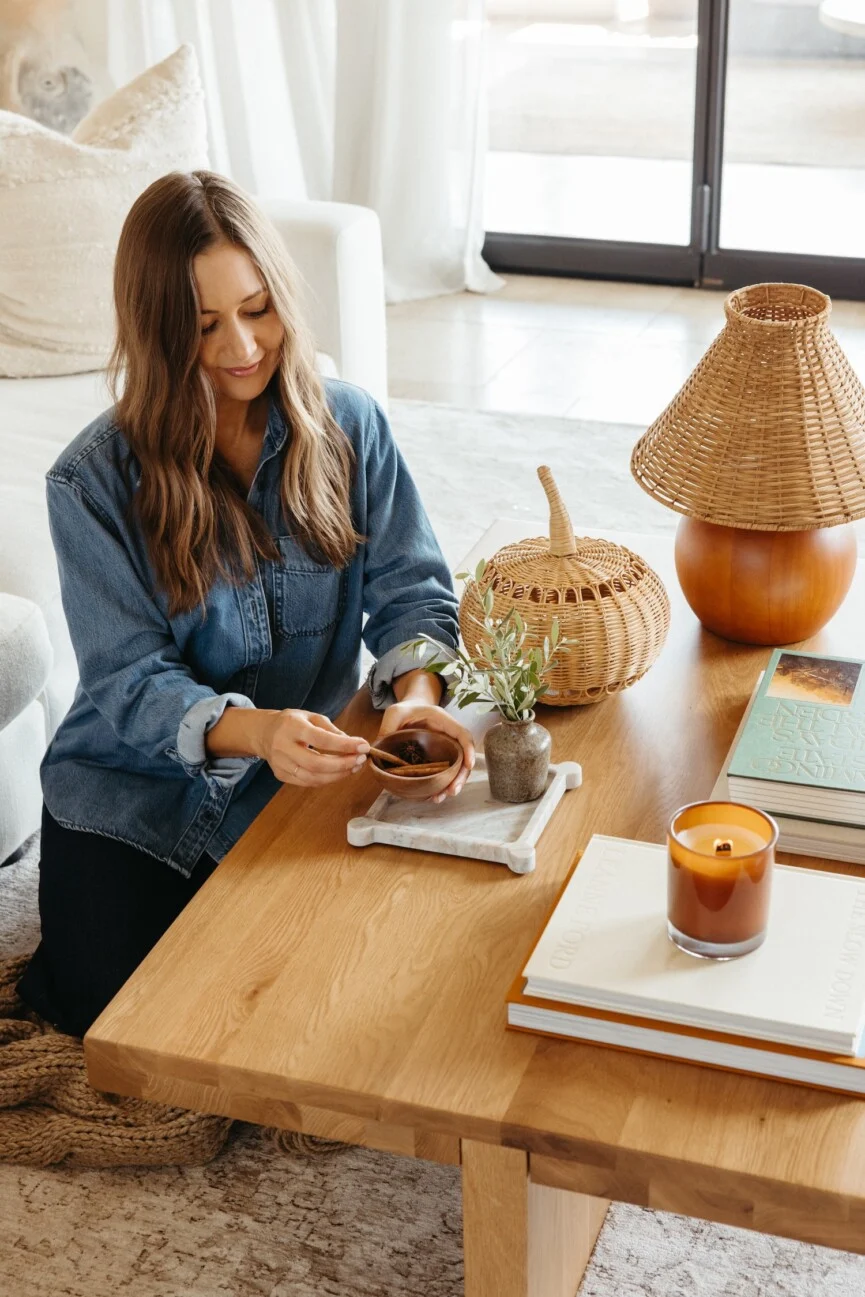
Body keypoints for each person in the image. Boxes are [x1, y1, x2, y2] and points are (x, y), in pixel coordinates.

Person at [16, 170, 474, 1038]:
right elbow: (128, 678)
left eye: (258, 309)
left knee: (347, 986)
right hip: (129, 794)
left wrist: (416, 708)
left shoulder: (348, 428)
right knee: (126, 1019)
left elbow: (411, 591)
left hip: (293, 790)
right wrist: (258, 730)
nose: (242, 346)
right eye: (204, 326)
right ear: (157, 334)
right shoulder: (90, 481)